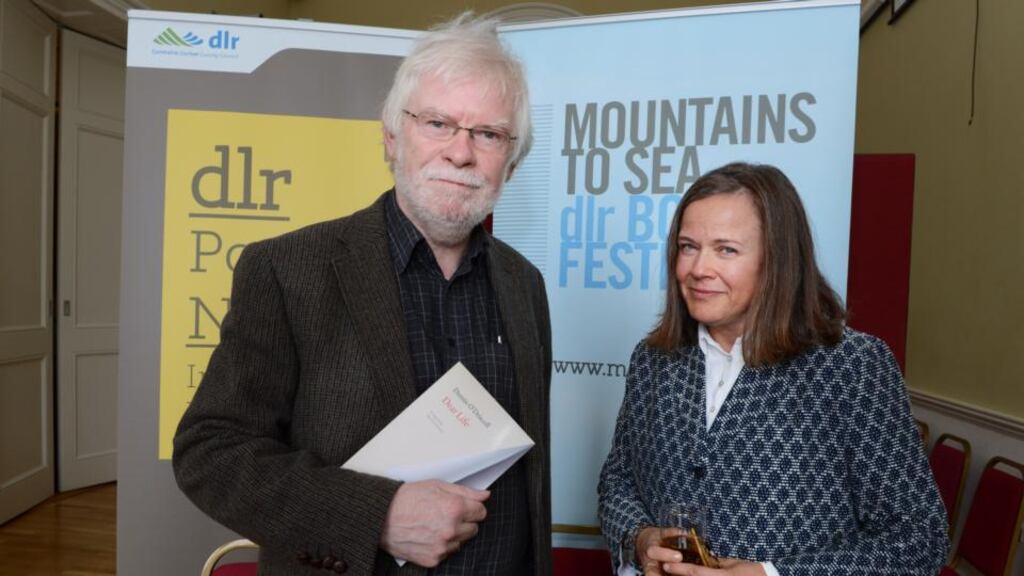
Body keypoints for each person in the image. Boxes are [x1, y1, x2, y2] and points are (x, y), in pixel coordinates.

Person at [172, 14, 552, 576]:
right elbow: (209, 452)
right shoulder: (286, 270)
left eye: (488, 134)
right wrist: (378, 514)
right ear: (392, 136)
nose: (461, 152)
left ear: (512, 161)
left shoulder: (525, 284)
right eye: (438, 123)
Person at [597, 162, 948, 576]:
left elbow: (920, 540)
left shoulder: (853, 368)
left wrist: (771, 573)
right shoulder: (654, 359)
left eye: (726, 249)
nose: (697, 269)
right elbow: (617, 481)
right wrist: (640, 538)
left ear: (777, 259)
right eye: (688, 246)